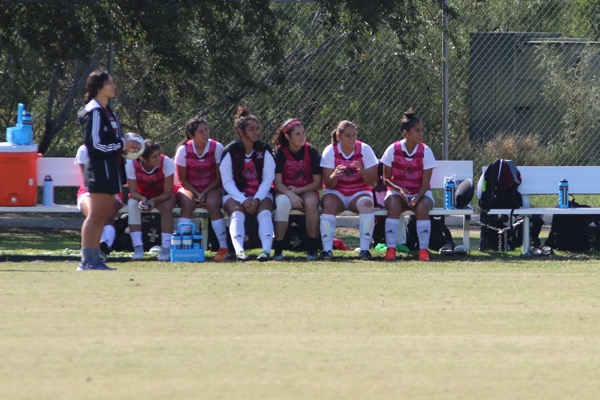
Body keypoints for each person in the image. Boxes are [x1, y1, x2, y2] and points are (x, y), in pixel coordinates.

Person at [76, 69, 139, 271]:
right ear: (99, 87)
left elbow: (115, 143)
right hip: (99, 171)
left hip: (111, 172)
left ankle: (95, 259)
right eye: (109, 83)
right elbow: (94, 145)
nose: (114, 86)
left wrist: (128, 146)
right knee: (95, 217)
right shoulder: (94, 112)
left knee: (103, 217)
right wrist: (121, 145)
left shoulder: (107, 111)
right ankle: (86, 260)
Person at [380, 109, 437, 261]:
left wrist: (417, 197)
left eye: (421, 130)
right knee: (393, 205)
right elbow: (385, 179)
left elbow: (426, 183)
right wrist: (399, 190)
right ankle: (391, 249)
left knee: (422, 207)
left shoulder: (426, 151)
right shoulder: (393, 149)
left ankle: (423, 251)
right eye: (417, 130)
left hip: (421, 193)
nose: (420, 134)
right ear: (406, 133)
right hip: (397, 193)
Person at [220, 106, 275, 261]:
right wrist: (243, 200)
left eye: (258, 128)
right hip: (235, 195)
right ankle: (239, 251)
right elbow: (227, 181)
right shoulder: (230, 151)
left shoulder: (264, 150)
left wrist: (257, 199)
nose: (256, 132)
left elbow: (268, 179)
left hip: (260, 194)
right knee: (237, 214)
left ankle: (265, 251)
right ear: (240, 131)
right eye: (251, 129)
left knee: (264, 213)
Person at [320, 120, 379, 260]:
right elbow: (328, 184)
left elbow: (373, 182)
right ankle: (327, 251)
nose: (352, 139)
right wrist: (334, 175)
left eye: (354, 135)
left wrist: (362, 171)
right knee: (328, 204)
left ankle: (364, 250)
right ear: (339, 137)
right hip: (337, 192)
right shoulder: (330, 150)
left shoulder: (365, 150)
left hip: (359, 192)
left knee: (367, 204)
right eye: (347, 135)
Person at [174, 117, 229, 261]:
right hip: (189, 187)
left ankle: (223, 248)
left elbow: (218, 178)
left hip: (212, 187)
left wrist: (204, 192)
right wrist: (197, 193)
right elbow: (183, 180)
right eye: (200, 132)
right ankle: (183, 248)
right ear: (192, 136)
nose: (205, 134)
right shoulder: (183, 150)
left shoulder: (217, 147)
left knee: (212, 203)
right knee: (188, 203)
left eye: (206, 130)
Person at [272, 119, 322, 261]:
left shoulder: (311, 151)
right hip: (285, 190)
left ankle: (312, 248)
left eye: (303, 133)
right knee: (282, 204)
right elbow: (278, 182)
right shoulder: (280, 153)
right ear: (288, 137)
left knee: (312, 203)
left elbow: (317, 183)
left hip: (306, 189)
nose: (302, 137)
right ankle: (278, 249)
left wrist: (299, 190)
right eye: (297, 134)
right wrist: (290, 194)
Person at [126, 139, 176, 261]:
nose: (159, 158)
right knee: (132, 204)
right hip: (142, 194)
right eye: (154, 157)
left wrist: (153, 200)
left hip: (162, 195)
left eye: (159, 154)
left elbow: (167, 193)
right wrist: (143, 199)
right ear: (143, 159)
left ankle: (165, 249)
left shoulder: (167, 162)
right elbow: (132, 192)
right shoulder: (131, 164)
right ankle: (138, 248)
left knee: (166, 207)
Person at [75, 144, 123, 260]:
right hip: (89, 190)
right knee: (94, 215)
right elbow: (86, 177)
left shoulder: (118, 148)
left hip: (113, 189)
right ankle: (97, 249)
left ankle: (105, 247)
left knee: (108, 217)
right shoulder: (84, 149)